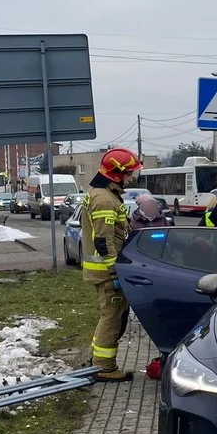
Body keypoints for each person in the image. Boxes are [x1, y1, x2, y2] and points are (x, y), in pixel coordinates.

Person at [81, 147, 143, 382]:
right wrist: (115, 270)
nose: (131, 178)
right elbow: (104, 240)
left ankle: (97, 361)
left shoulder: (104, 194)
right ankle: (105, 367)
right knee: (112, 317)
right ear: (117, 174)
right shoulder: (104, 199)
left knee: (112, 316)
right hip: (107, 273)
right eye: (129, 173)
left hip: (105, 271)